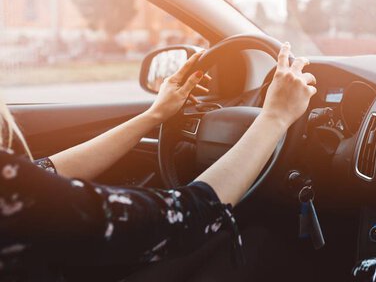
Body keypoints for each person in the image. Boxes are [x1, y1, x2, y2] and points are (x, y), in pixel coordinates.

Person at [0, 42, 317, 281]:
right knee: (261, 243)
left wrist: (154, 116)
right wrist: (274, 118)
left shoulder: (13, 187)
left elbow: (44, 173)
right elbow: (188, 217)